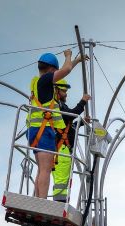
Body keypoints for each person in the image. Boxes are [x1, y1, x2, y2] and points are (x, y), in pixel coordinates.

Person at [27, 50, 85, 199]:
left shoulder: (37, 83)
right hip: (43, 130)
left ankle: (38, 201)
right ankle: (41, 202)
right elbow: (66, 70)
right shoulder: (46, 80)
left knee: (41, 170)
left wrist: (77, 61)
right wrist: (68, 56)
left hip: (35, 131)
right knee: (45, 170)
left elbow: (66, 69)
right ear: (52, 69)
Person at [51, 79, 90, 203]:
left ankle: (62, 202)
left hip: (64, 149)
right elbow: (73, 114)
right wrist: (83, 101)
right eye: (64, 91)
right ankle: (60, 204)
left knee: (64, 179)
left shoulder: (61, 106)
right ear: (56, 90)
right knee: (61, 180)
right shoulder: (58, 106)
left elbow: (69, 125)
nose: (66, 94)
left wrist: (82, 123)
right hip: (62, 149)